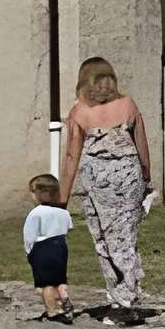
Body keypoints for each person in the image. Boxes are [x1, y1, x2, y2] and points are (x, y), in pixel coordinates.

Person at [56, 54, 152, 315]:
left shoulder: (80, 112)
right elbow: (141, 145)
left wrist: (62, 199)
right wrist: (146, 177)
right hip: (128, 181)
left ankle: (124, 299)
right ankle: (124, 294)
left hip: (99, 186)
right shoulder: (128, 105)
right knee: (124, 237)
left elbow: (71, 156)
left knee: (105, 239)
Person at [20, 172, 74, 323]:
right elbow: (67, 229)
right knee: (58, 279)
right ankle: (62, 301)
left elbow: (29, 236)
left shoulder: (36, 213)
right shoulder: (63, 212)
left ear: (38, 194)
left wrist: (29, 252)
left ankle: (52, 312)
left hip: (43, 248)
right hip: (60, 247)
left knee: (45, 284)